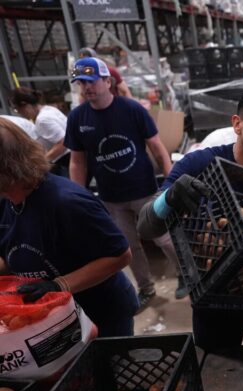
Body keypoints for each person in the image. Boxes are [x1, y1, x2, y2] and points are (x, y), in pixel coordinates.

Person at [137, 87, 243, 352]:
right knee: (217, 375)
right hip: (213, 300)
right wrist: (168, 199)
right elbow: (145, 227)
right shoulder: (198, 165)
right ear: (237, 124)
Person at [0, 118, 138, 336]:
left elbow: (120, 255)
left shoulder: (67, 203)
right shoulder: (6, 201)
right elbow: (8, 254)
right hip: (52, 316)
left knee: (104, 367)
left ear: (7, 170)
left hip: (100, 312)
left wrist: (59, 285)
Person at [65, 57, 178, 307]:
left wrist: (170, 186)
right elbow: (77, 161)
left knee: (165, 239)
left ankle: (186, 276)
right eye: (81, 83)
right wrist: (77, 196)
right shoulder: (77, 119)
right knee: (128, 248)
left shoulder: (132, 109)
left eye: (91, 81)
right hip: (111, 198)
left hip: (146, 191)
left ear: (108, 81)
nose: (86, 88)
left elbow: (158, 149)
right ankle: (146, 288)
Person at [10, 87, 68, 163]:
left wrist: (43, 162)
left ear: (25, 105)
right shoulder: (48, 109)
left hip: (65, 159)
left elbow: (63, 143)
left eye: (18, 110)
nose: (20, 114)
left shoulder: (42, 120)